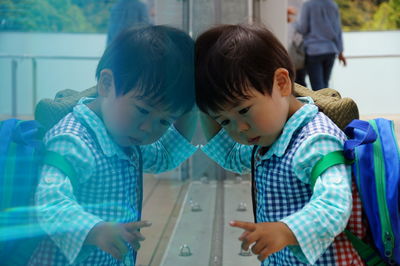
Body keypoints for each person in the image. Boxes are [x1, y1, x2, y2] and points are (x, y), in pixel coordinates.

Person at [28, 25, 197, 265]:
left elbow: (164, 157)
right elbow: (49, 201)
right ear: (107, 84)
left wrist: (192, 107)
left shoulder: (123, 135)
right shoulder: (73, 139)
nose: (148, 128)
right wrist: (94, 230)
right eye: (143, 110)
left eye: (164, 121)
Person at [196, 24, 364, 265]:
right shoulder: (269, 137)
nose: (239, 129)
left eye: (244, 110)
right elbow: (231, 154)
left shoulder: (315, 140)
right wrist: (204, 104)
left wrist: (286, 231)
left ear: (282, 83)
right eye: (224, 121)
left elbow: (334, 204)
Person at [295, 0, 347, 91]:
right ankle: (327, 105)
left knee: (317, 88)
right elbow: (338, 30)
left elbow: (303, 28)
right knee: (325, 86)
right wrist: (340, 52)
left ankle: (321, 105)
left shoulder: (308, 5)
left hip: (313, 51)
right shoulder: (332, 5)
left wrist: (293, 22)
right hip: (330, 50)